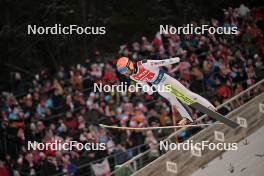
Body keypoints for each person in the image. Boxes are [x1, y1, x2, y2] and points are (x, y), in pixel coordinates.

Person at [116, 57, 216, 125]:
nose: (124, 73)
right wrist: (152, 93)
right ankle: (188, 118)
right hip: (158, 86)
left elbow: (163, 62)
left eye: (124, 70)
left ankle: (208, 106)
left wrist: (178, 59)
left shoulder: (145, 64)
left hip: (165, 79)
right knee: (174, 102)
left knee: (186, 95)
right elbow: (143, 84)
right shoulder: (133, 76)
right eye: (121, 72)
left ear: (129, 65)